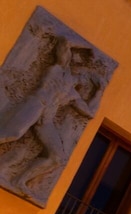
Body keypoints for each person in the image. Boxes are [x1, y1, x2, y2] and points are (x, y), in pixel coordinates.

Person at [0, 34, 105, 196]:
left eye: (88, 78)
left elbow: (89, 112)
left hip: (46, 119)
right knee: (13, 133)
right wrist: (89, 47)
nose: (84, 77)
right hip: (36, 104)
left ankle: (20, 181)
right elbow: (65, 41)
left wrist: (99, 91)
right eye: (84, 72)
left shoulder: (72, 94)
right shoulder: (60, 68)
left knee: (58, 158)